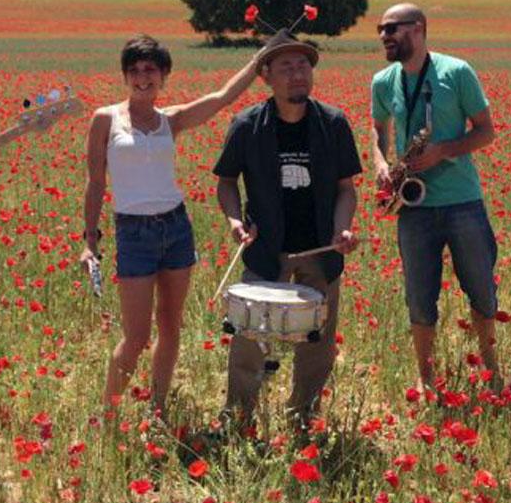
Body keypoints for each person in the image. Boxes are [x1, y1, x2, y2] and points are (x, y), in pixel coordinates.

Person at [82, 34, 259, 416]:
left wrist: (266, 54)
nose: (142, 77)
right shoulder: (105, 119)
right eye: (134, 70)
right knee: (136, 337)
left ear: (164, 75)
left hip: (176, 229)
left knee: (170, 325)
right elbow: (96, 182)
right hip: (133, 233)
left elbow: (224, 96)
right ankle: (108, 414)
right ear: (125, 76)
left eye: (151, 70)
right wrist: (89, 240)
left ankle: (157, 406)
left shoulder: (171, 120)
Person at [213, 30, 361, 427]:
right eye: (286, 67)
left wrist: (342, 229)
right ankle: (239, 418)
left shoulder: (333, 123)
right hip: (266, 250)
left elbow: (347, 189)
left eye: (303, 66)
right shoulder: (247, 125)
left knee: (317, 342)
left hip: (319, 252)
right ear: (266, 76)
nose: (297, 74)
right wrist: (233, 220)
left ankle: (302, 416)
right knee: (249, 340)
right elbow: (226, 181)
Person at [369, 3, 500, 394]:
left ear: (420, 28)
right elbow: (378, 130)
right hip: (414, 207)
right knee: (419, 297)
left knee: (481, 289)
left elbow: (486, 132)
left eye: (393, 27)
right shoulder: (382, 81)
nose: (384, 35)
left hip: (462, 201)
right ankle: (426, 380)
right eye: (381, 29)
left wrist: (443, 151)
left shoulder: (456, 72)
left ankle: (491, 371)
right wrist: (380, 162)